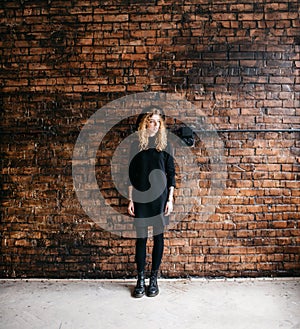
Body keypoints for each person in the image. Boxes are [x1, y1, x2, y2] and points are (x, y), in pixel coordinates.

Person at [127, 107, 176, 298]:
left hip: (160, 198)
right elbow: (131, 175)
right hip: (140, 198)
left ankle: (153, 280)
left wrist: (170, 199)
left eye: (157, 121)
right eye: (151, 120)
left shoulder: (166, 145)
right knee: (141, 239)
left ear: (160, 125)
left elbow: (171, 174)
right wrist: (130, 199)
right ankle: (140, 280)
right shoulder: (136, 145)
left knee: (158, 239)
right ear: (145, 122)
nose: (154, 124)